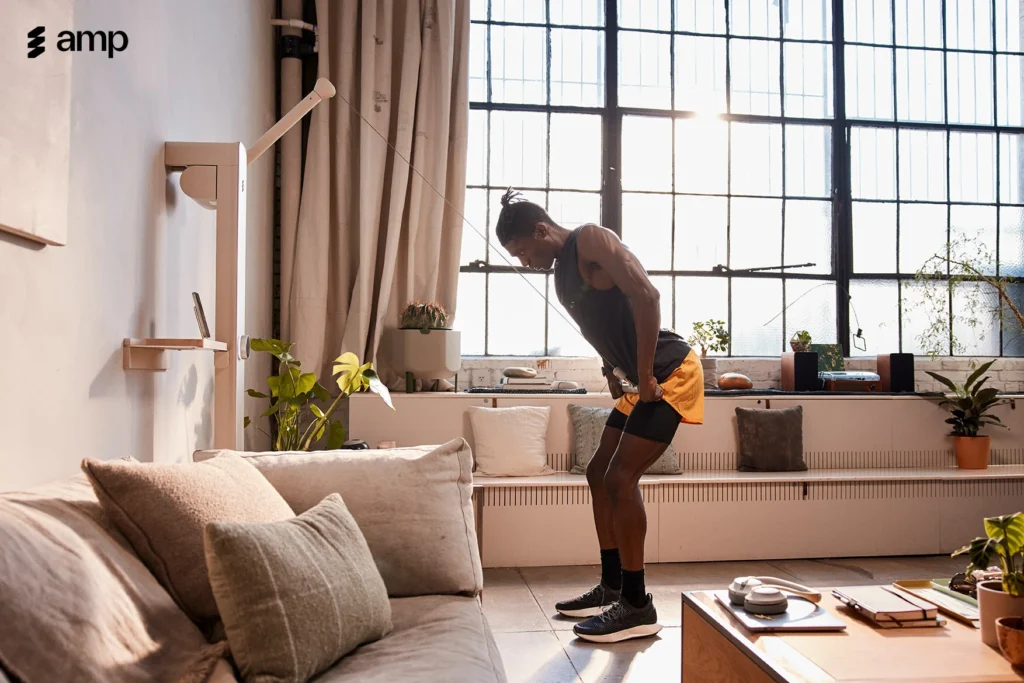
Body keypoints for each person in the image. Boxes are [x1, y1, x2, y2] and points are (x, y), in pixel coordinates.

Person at [495, 189, 705, 643]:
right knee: (597, 473)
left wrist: (644, 374)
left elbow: (647, 295)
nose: (524, 262)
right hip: (637, 376)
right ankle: (612, 585)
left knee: (619, 478)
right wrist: (612, 370)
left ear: (541, 230)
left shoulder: (590, 240)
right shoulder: (562, 274)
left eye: (523, 252)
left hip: (670, 371)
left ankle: (637, 605)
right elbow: (602, 325)